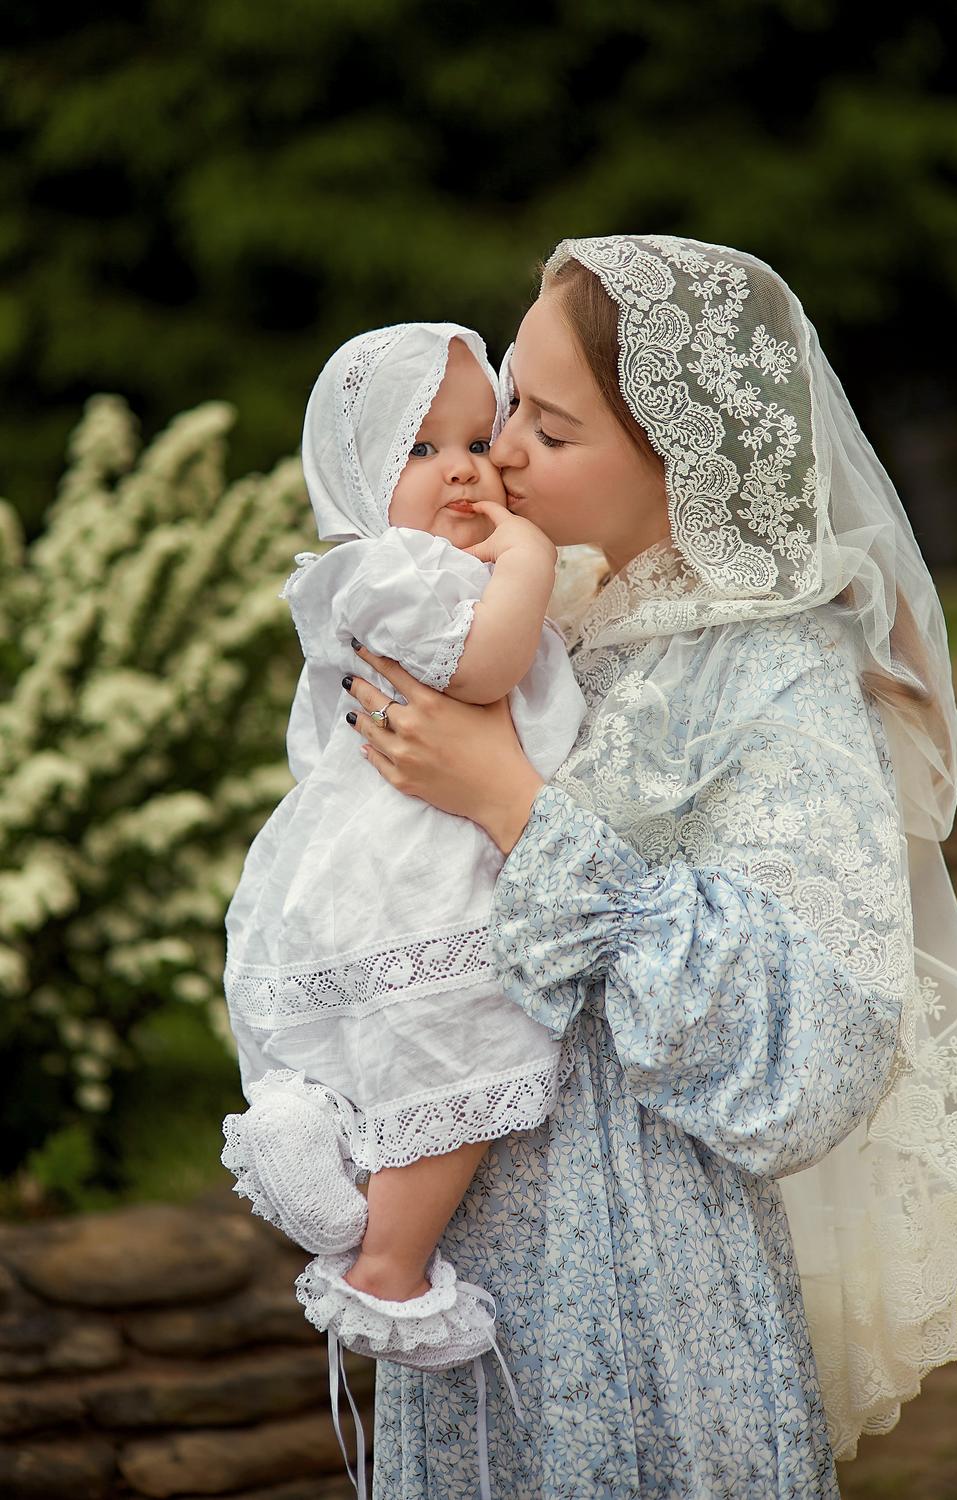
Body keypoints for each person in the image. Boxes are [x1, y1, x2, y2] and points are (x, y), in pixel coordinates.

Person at [340, 236, 957, 1497]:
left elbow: (812, 1053)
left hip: (641, 1274)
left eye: (553, 424)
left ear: (682, 464)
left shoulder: (776, 675)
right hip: (471, 1261)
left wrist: (512, 803)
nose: (505, 449)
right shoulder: (550, 626)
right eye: (513, 399)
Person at [219, 322, 586, 1492]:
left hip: (387, 857)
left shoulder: (408, 564)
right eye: (422, 447)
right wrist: (526, 559)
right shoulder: (389, 568)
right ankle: (387, 1262)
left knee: (418, 1051)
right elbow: (481, 671)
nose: (467, 467)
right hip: (417, 868)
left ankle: (327, 1156)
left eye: (478, 439)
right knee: (465, 1041)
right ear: (350, 473)